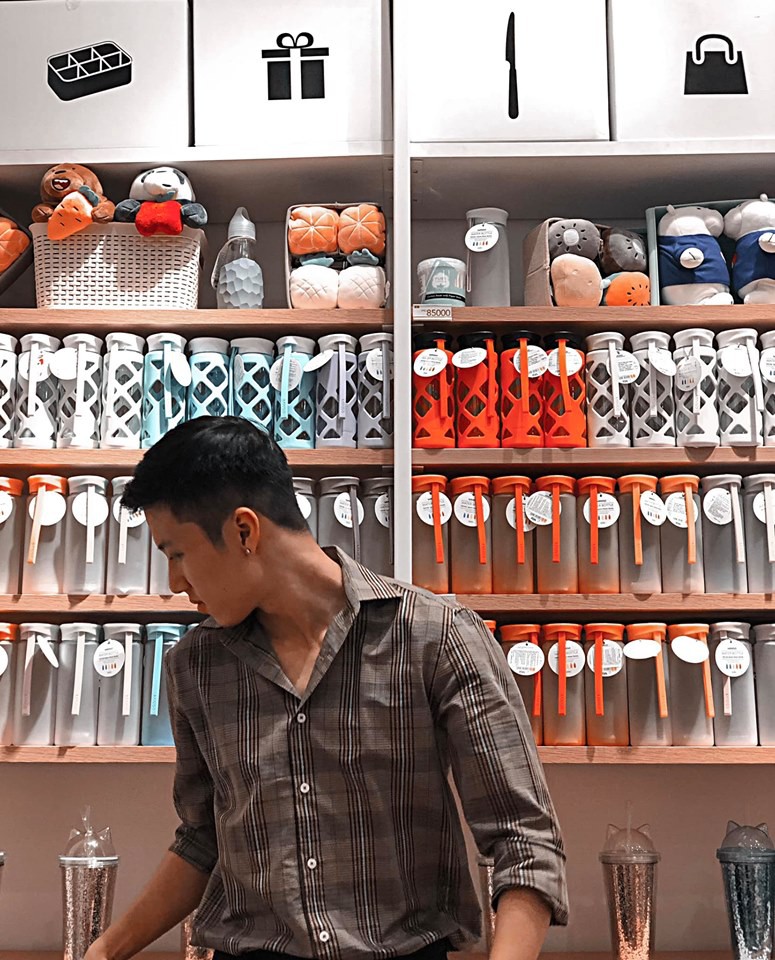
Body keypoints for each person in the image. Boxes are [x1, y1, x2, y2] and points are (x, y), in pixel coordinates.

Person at [85, 416, 567, 960]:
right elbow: (203, 838)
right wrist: (104, 951)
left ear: (244, 531)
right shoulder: (196, 665)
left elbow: (524, 839)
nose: (175, 582)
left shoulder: (435, 636)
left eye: (176, 553)